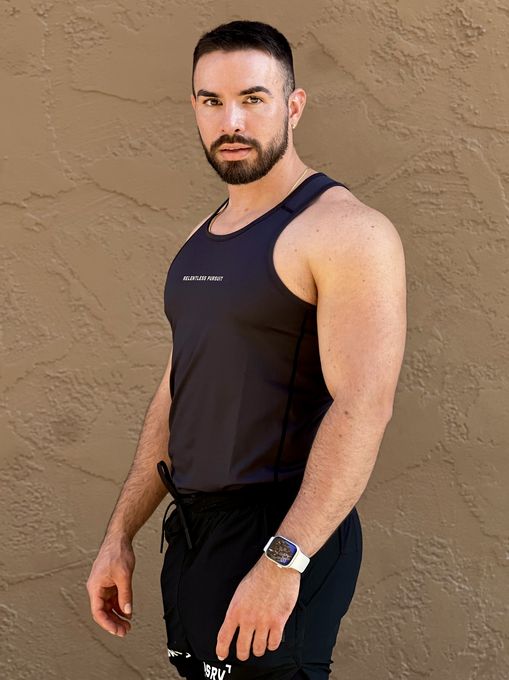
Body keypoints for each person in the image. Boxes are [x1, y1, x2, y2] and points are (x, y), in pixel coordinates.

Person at [86, 19, 407, 680]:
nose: (230, 121)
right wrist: (120, 534)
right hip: (197, 534)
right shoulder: (201, 240)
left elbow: (363, 406)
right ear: (195, 108)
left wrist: (284, 559)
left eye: (252, 99)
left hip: (279, 532)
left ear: (293, 106)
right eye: (212, 101)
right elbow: (178, 392)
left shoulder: (346, 232)